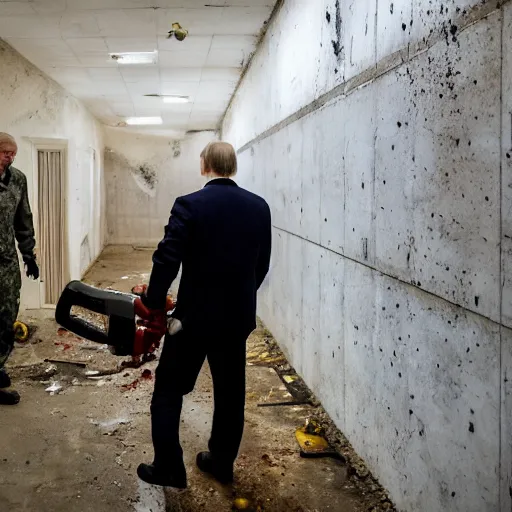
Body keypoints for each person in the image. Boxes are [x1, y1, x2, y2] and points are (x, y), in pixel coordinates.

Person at [137, 141, 272, 488]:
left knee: (169, 389)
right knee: (230, 394)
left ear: (204, 166)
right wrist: (238, 299)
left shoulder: (189, 205)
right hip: (236, 319)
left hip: (193, 319)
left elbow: (167, 258)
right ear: (233, 167)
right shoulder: (259, 207)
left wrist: (153, 302)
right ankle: (222, 463)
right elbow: (262, 265)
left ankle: (168, 466)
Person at [0, 133, 39, 406]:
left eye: (13, 153)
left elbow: (23, 219)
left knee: (6, 318)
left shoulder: (17, 180)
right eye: (5, 152)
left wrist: (29, 254)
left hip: (6, 262)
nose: (10, 157)